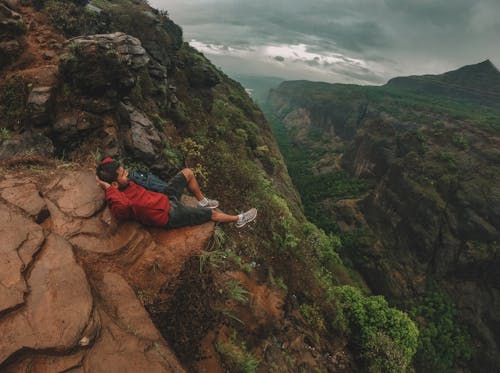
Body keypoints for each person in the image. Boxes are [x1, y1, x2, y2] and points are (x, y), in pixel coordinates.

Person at [95, 157, 257, 229]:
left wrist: (102, 179)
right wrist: (109, 189)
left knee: (187, 172)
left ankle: (202, 200)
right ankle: (239, 219)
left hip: (164, 197)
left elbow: (107, 162)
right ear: (114, 184)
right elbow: (121, 210)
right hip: (168, 214)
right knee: (211, 214)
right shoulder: (119, 199)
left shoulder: (122, 184)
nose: (127, 174)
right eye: (123, 174)